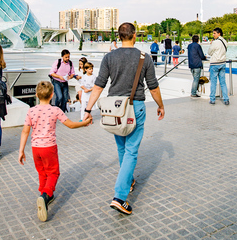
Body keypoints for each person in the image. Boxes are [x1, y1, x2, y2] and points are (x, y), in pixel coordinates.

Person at [85, 22, 164, 216]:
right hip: (134, 107)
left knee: (122, 148)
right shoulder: (144, 58)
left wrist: (88, 109)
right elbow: (153, 86)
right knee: (131, 152)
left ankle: (128, 182)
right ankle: (119, 197)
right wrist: (161, 105)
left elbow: (98, 86)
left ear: (119, 37)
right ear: (134, 35)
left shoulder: (109, 57)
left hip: (114, 110)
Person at [18, 81, 92, 222]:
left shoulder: (31, 110)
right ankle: (45, 195)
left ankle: (44, 194)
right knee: (53, 172)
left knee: (42, 172)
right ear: (52, 95)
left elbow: (25, 131)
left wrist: (21, 150)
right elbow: (70, 125)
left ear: (36, 94)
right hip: (49, 147)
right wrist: (84, 123)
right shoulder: (55, 110)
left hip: (35, 148)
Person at [207, 28, 229, 105]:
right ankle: (226, 99)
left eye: (214, 33)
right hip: (223, 63)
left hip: (215, 63)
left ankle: (212, 99)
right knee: (223, 82)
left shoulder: (215, 42)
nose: (213, 35)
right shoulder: (225, 42)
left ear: (219, 33)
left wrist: (211, 45)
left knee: (213, 82)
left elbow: (209, 52)